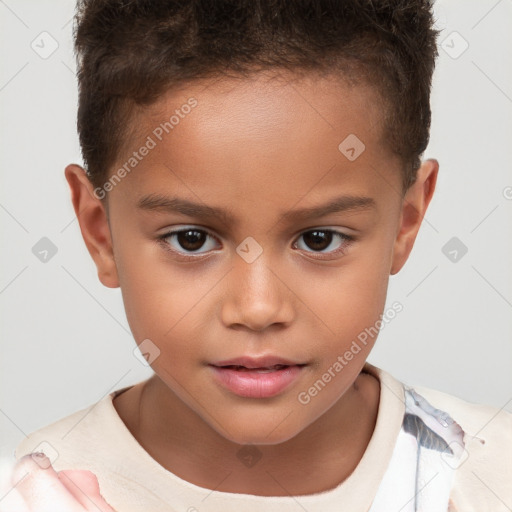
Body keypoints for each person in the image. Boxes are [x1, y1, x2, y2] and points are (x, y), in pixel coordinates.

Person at [5, 1, 511, 511]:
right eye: (191, 240)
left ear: (405, 222)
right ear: (102, 233)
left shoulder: (492, 472)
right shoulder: (31, 497)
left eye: (319, 239)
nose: (258, 308)